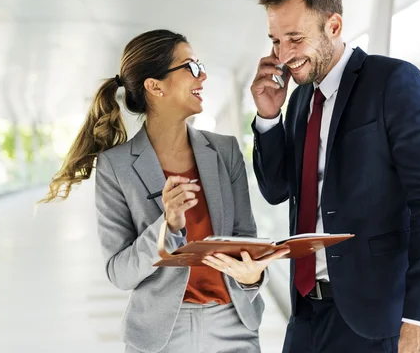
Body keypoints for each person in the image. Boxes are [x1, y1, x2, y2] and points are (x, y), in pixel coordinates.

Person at [249, 0, 420, 353]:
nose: (283, 55)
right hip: (307, 313)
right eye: (276, 41)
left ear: (333, 25)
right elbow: (277, 189)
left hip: (376, 319)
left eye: (295, 38)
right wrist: (267, 118)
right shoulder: (298, 101)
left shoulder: (394, 82)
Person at [40, 29, 288, 353]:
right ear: (155, 86)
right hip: (161, 336)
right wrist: (167, 226)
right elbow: (119, 272)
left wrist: (252, 277)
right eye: (191, 67)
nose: (204, 75)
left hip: (234, 325)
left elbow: (244, 239)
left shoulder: (225, 151)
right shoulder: (116, 167)